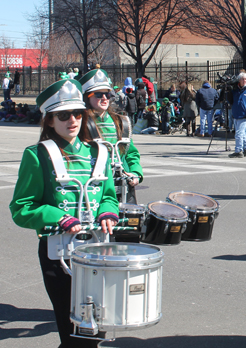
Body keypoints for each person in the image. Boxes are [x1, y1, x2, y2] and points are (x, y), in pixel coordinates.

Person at [10, 78, 119, 348]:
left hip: (97, 250)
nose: (72, 120)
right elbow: (21, 207)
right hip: (58, 255)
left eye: (77, 113)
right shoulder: (37, 155)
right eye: (63, 115)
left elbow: (108, 196)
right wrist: (59, 216)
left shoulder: (100, 153)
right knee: (72, 332)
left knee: (95, 331)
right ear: (49, 120)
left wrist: (108, 213)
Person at [79, 69, 143, 206]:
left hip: (122, 185)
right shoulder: (78, 123)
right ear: (86, 97)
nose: (104, 98)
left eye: (107, 94)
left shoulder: (120, 122)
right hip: (93, 186)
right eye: (98, 94)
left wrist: (135, 172)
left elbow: (130, 153)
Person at [226, 72, 246, 158]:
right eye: (242, 79)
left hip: (244, 114)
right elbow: (230, 100)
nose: (244, 81)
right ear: (239, 80)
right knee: (243, 133)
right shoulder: (235, 90)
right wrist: (229, 91)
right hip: (236, 113)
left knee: (239, 133)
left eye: (245, 79)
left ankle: (238, 150)